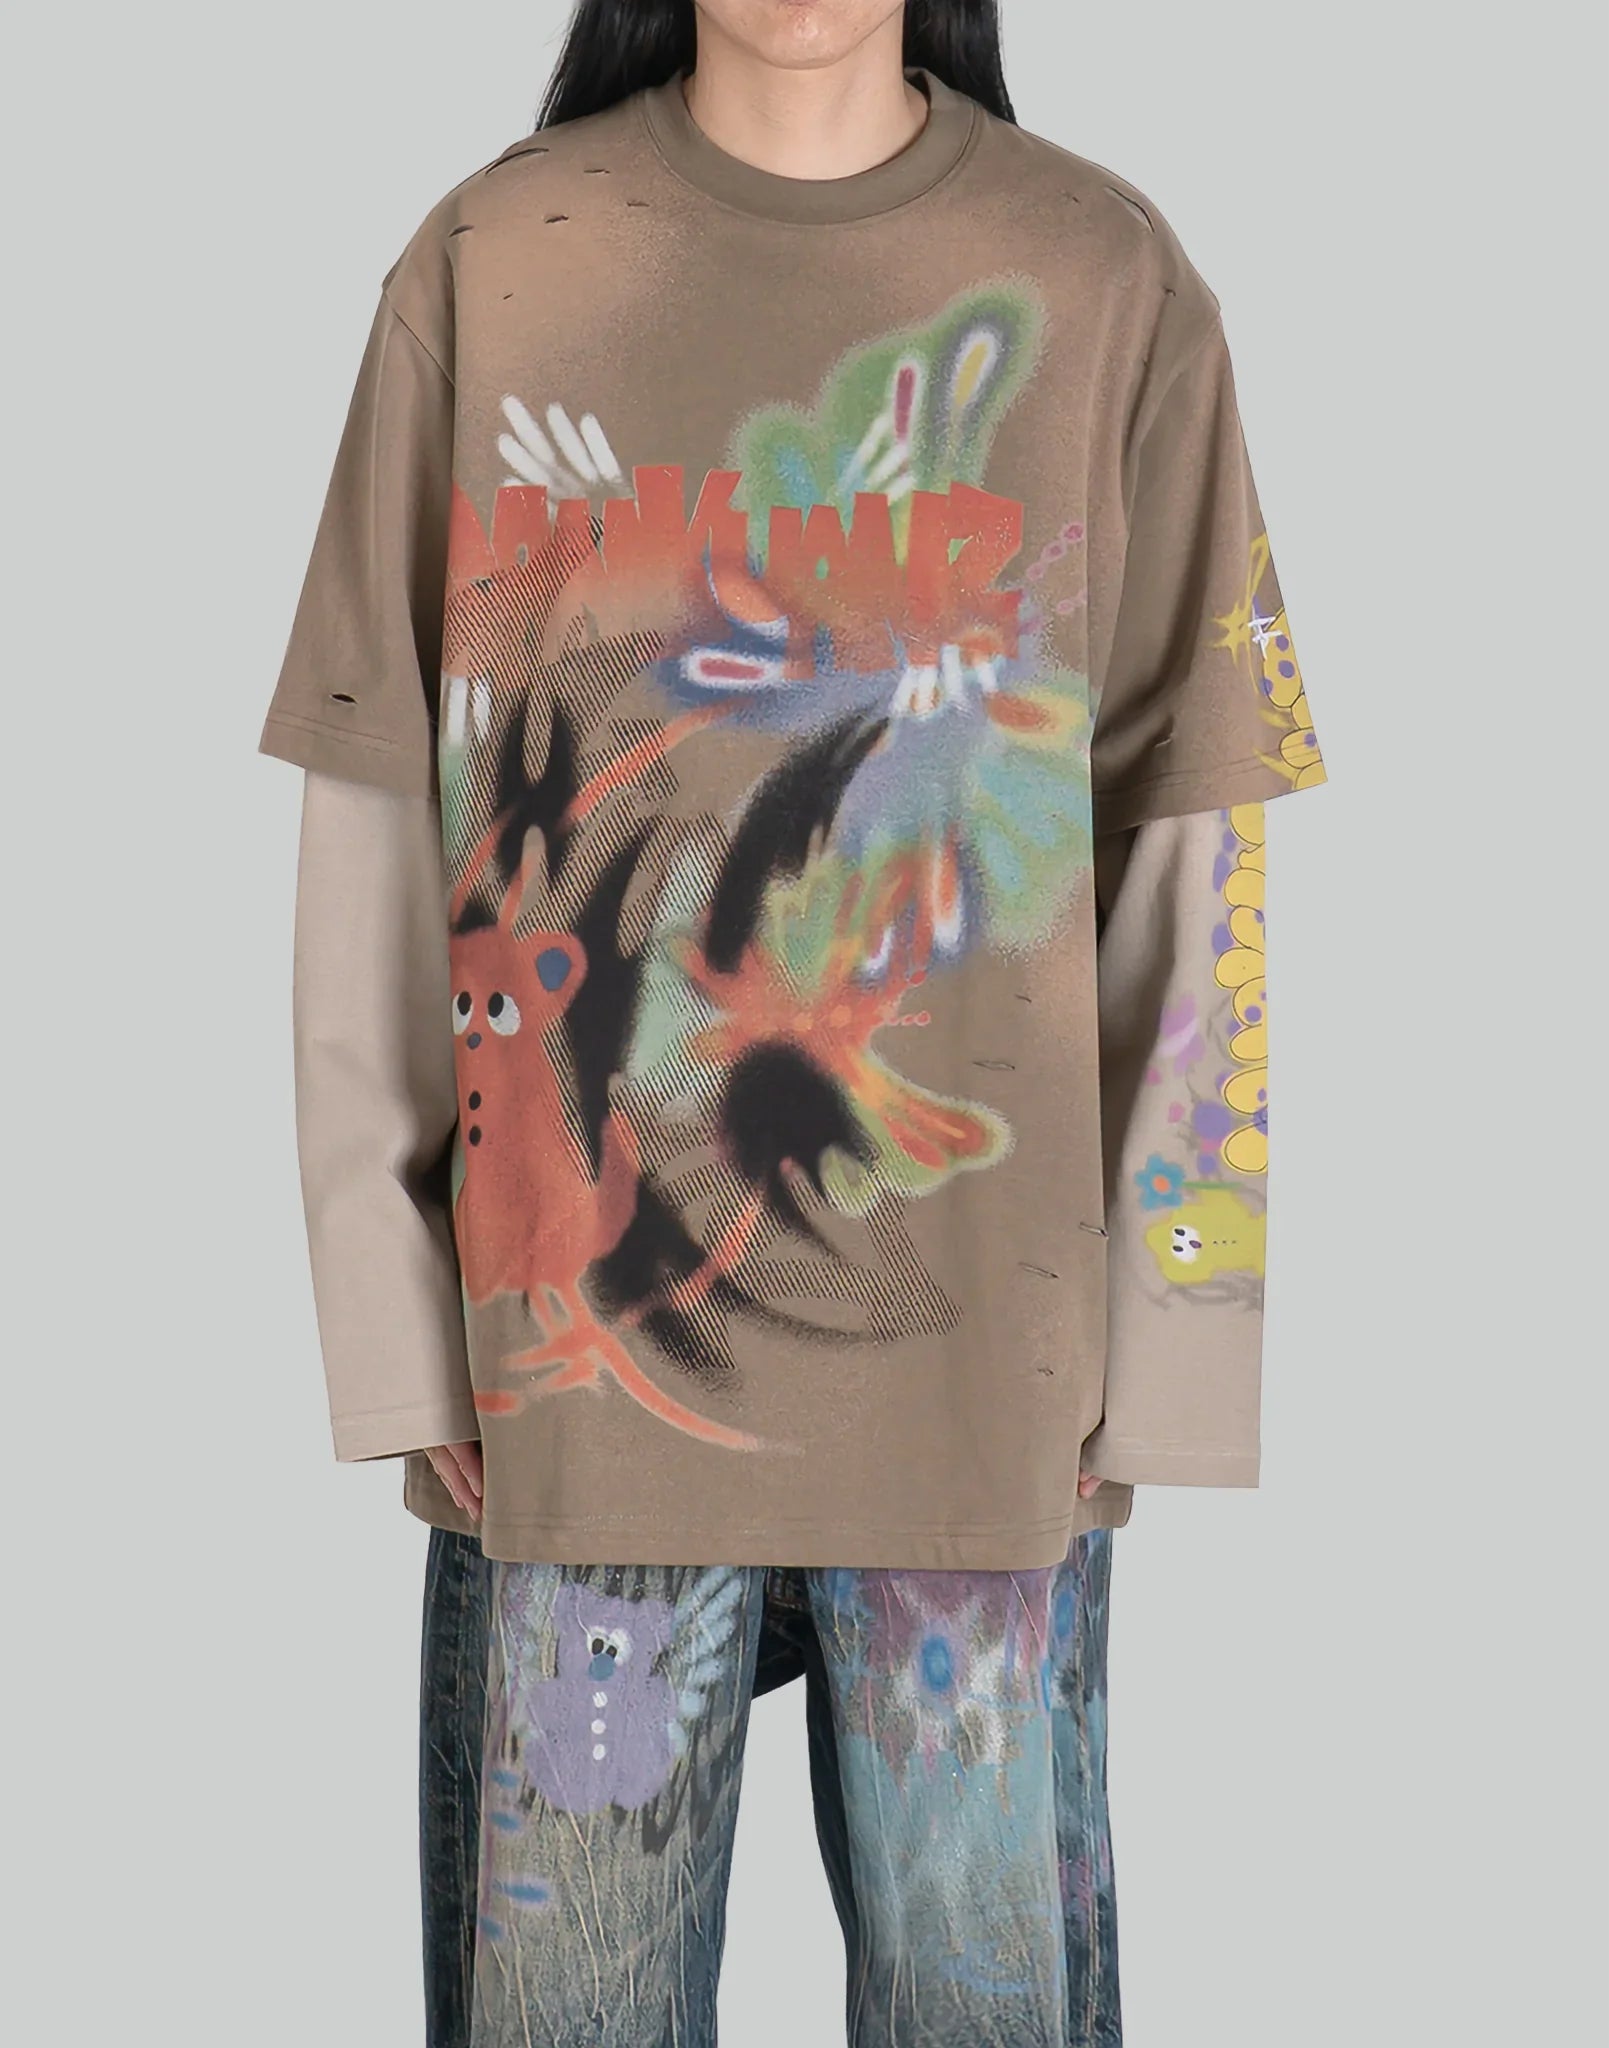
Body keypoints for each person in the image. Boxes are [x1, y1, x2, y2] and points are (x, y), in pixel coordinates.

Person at [260, 2, 1326, 2040]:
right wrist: (393, 1322)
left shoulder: (1101, 275)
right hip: (569, 1393)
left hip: (989, 1394)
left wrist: (1179, 1336)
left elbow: (1195, 832)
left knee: (986, 2004)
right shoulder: (497, 263)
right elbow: (378, 804)